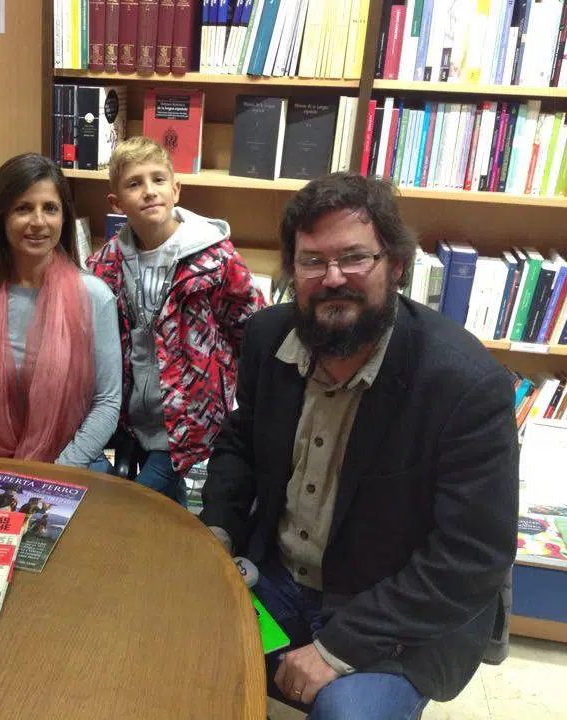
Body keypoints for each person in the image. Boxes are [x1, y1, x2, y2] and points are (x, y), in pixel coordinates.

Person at [200, 172, 518, 718]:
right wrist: (218, 530)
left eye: (354, 258)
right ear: (291, 269)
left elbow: (473, 558)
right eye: (312, 261)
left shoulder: (465, 385)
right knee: (167, 650)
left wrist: (336, 650)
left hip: (391, 613)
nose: (332, 279)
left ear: (395, 265)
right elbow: (240, 442)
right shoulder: (267, 338)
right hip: (274, 577)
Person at [88, 137, 266, 504]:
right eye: (135, 183)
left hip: (190, 412)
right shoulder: (104, 266)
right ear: (116, 203)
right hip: (130, 410)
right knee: (168, 503)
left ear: (176, 189)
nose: (149, 192)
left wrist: (226, 380)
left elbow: (250, 324)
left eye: (158, 180)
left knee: (140, 498)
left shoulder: (215, 257)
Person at [0, 153, 120, 466]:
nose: (38, 222)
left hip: (71, 464)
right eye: (23, 208)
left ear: (64, 218)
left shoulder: (94, 296)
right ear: (0, 217)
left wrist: (59, 473)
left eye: (50, 208)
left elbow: (107, 402)